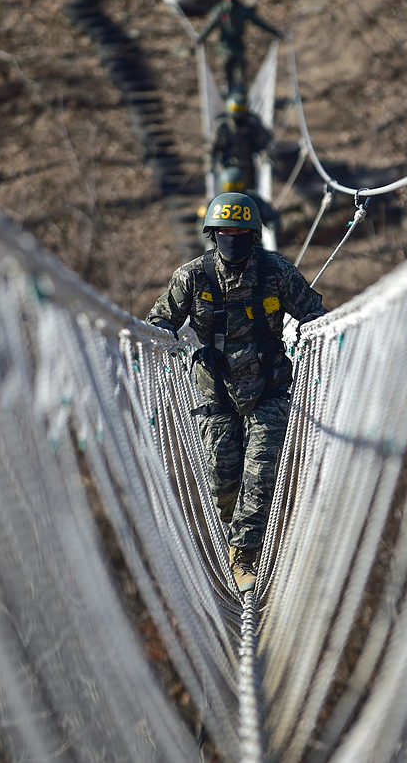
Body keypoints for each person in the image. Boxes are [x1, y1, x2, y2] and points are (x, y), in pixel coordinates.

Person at [146, 193, 327, 593]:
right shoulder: (192, 278)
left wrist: (324, 334)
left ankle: (244, 554)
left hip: (269, 387)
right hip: (217, 391)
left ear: (252, 233)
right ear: (212, 234)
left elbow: (314, 314)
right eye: (224, 231)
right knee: (223, 481)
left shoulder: (277, 272)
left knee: (260, 474)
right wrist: (156, 339)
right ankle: (234, 522)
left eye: (240, 231)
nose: (232, 238)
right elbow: (160, 321)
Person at [197, 0, 282, 90]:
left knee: (240, 69)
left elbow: (258, 22)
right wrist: (201, 37)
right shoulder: (221, 10)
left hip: (238, 45)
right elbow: (210, 25)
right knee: (226, 68)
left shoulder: (242, 10)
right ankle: (227, 87)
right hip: (224, 46)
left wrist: (273, 32)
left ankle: (241, 90)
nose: (231, 0)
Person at [196, 166, 280, 248]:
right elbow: (202, 227)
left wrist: (271, 229)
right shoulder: (213, 205)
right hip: (222, 248)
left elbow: (272, 218)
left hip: (252, 247)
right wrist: (211, 241)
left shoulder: (253, 201)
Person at [206, 87, 272, 188]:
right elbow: (211, 148)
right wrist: (209, 163)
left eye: (240, 114)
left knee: (248, 194)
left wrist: (265, 156)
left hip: (247, 168)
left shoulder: (252, 124)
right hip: (227, 167)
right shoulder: (222, 126)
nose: (237, 117)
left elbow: (262, 144)